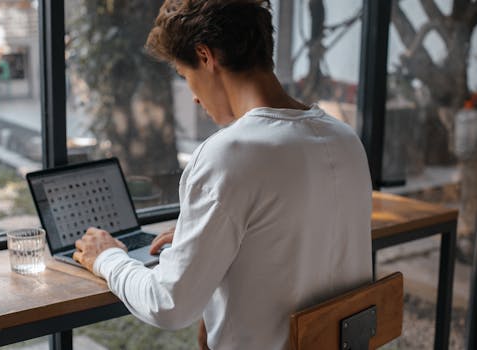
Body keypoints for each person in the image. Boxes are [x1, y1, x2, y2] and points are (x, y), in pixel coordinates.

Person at [73, 1, 373, 349]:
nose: (195, 98)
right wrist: (206, 239)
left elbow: (169, 305)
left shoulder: (229, 155)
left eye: (186, 77)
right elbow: (296, 240)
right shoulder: (345, 140)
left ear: (205, 56)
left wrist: (107, 257)